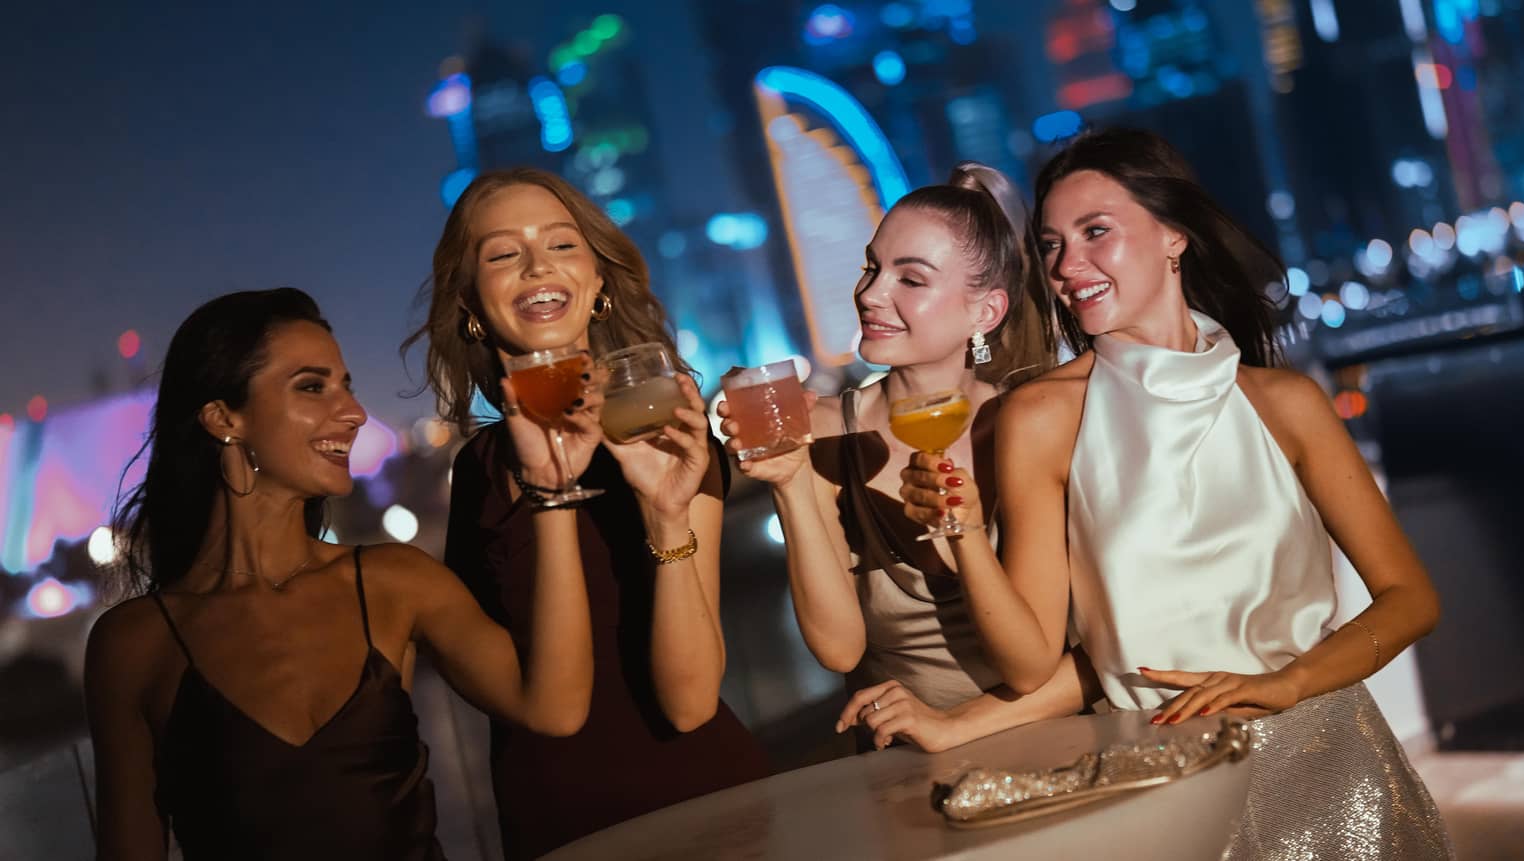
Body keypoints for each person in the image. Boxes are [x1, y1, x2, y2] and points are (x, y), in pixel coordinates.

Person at [902, 129, 1451, 857]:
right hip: (1163, 787)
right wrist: (965, 534)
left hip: (1331, 773)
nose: (1067, 265)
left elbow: (1411, 598)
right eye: (1053, 245)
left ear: (1174, 235)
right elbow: (1043, 662)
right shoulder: (1040, 417)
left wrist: (1291, 683)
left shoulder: (1285, 403)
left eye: (1095, 231)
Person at [84, 288, 594, 861]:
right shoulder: (134, 643)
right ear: (224, 418)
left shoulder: (395, 581)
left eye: (346, 385)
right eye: (312, 386)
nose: (354, 413)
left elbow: (554, 708)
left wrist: (553, 491)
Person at [405, 168, 770, 859]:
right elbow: (544, 704)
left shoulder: (664, 424)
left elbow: (691, 703)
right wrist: (550, 493)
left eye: (562, 244)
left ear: (598, 283)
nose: (537, 265)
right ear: (471, 302)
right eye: (503, 253)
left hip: (712, 816)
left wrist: (666, 516)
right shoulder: (479, 468)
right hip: (562, 830)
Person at [720, 163, 1096, 754]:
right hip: (907, 766)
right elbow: (838, 649)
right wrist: (789, 483)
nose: (870, 294)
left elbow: (1051, 661)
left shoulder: (1035, 422)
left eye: (911, 279)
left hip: (1054, 743)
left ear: (986, 312)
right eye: (871, 267)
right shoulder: (823, 428)